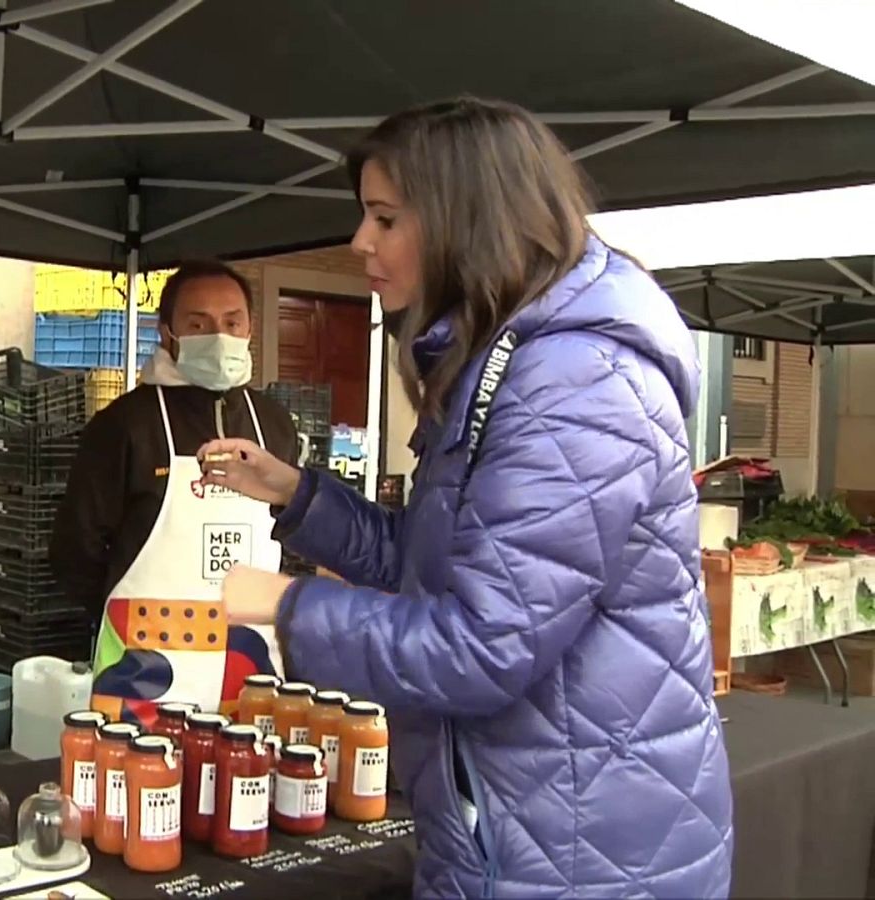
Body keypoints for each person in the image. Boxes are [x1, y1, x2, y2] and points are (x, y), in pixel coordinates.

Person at [201, 98, 733, 897]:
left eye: (385, 218)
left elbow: (484, 645)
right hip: (519, 825)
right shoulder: (504, 360)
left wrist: (290, 606)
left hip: (580, 854)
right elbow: (441, 562)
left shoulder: (575, 381)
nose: (360, 243)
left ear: (465, 220)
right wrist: (301, 496)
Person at [50, 260, 301, 727]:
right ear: (167, 332)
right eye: (197, 323)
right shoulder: (125, 425)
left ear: (250, 328)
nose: (219, 335)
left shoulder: (275, 424)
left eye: (232, 322)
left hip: (251, 673)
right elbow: (74, 549)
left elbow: (291, 529)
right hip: (142, 675)